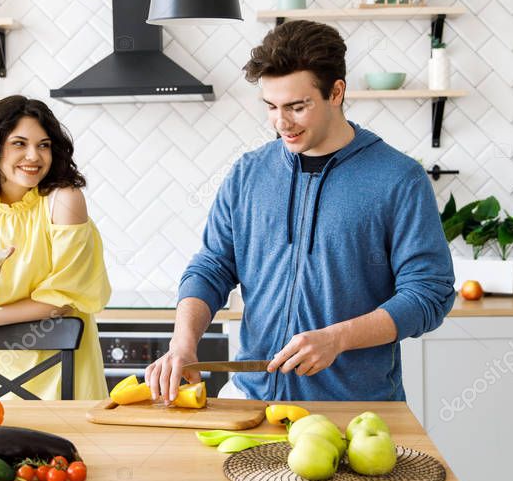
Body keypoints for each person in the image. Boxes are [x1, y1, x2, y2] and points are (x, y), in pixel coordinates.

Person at [145, 20, 456, 403]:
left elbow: (429, 294)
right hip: (252, 399)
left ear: (336, 92)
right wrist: (183, 344)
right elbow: (212, 265)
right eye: (271, 107)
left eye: (297, 106)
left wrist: (336, 339)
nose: (282, 123)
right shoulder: (248, 173)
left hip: (355, 408)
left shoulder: (398, 179)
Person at [0, 96, 111, 400]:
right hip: (6, 367)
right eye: (19, 143)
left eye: (43, 145)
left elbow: (61, 301)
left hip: (69, 368)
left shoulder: (63, 201)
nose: (33, 156)